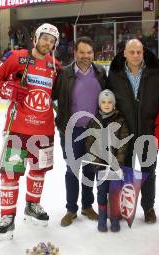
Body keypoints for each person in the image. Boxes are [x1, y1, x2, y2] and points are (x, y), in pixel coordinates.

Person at [0, 23, 60, 240]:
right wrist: (8, 89)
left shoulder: (55, 65)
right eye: (45, 38)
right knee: (10, 173)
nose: (47, 43)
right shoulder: (17, 58)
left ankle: (32, 206)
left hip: (44, 129)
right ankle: (7, 217)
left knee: (39, 171)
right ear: (36, 37)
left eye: (52, 40)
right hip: (17, 129)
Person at [107, 39, 159, 224]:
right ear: (124, 53)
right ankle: (126, 206)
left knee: (149, 171)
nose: (135, 55)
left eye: (139, 52)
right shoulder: (115, 74)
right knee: (125, 171)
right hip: (124, 133)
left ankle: (148, 207)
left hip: (148, 131)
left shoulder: (157, 72)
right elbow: (106, 100)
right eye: (132, 52)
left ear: (143, 52)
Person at [53, 36, 107, 227]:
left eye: (89, 52)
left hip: (94, 131)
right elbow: (52, 97)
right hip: (72, 131)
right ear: (75, 53)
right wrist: (61, 121)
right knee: (72, 170)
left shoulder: (100, 72)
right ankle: (71, 209)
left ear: (93, 54)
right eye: (82, 52)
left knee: (90, 169)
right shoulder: (64, 74)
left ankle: (87, 206)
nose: (86, 56)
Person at [84, 89, 130, 232]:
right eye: (103, 102)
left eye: (110, 102)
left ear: (114, 104)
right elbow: (89, 142)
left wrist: (118, 162)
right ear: (99, 104)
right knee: (102, 191)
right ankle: (102, 219)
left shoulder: (120, 120)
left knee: (114, 192)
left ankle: (114, 218)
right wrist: (96, 159)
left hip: (114, 165)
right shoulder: (94, 121)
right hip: (100, 165)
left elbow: (123, 143)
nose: (106, 104)